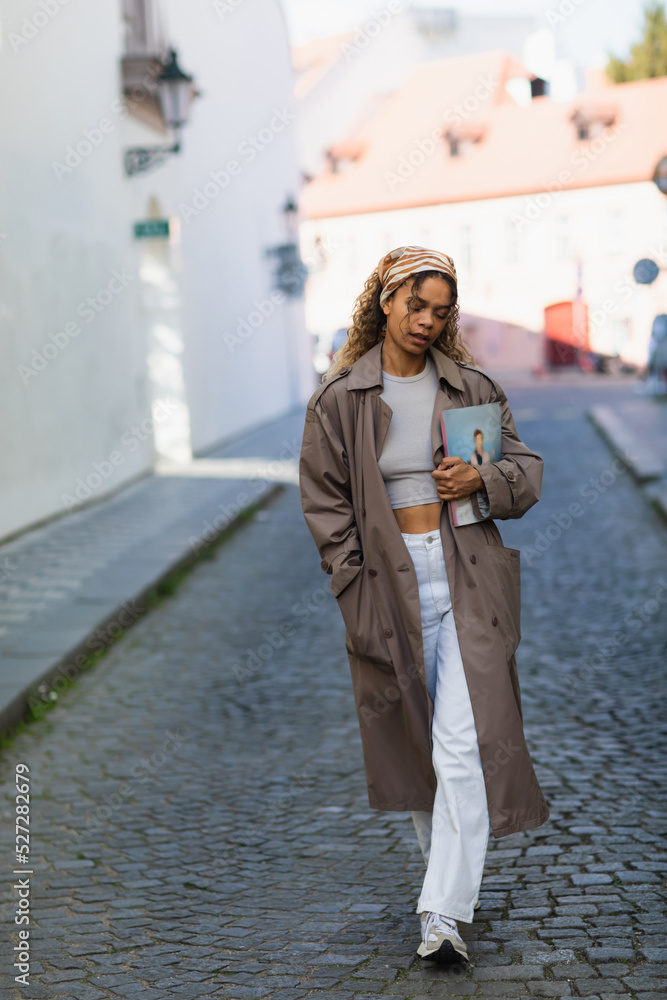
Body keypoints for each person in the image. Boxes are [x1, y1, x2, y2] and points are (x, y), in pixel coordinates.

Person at [298, 245, 550, 967]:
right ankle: (446, 894)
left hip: (465, 576)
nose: (427, 321)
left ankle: (440, 914)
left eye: (441, 311)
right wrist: (351, 581)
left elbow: (525, 474)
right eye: (416, 305)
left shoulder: (469, 388)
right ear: (385, 300)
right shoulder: (340, 397)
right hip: (388, 585)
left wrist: (478, 478)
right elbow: (325, 502)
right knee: (416, 751)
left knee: (461, 749)